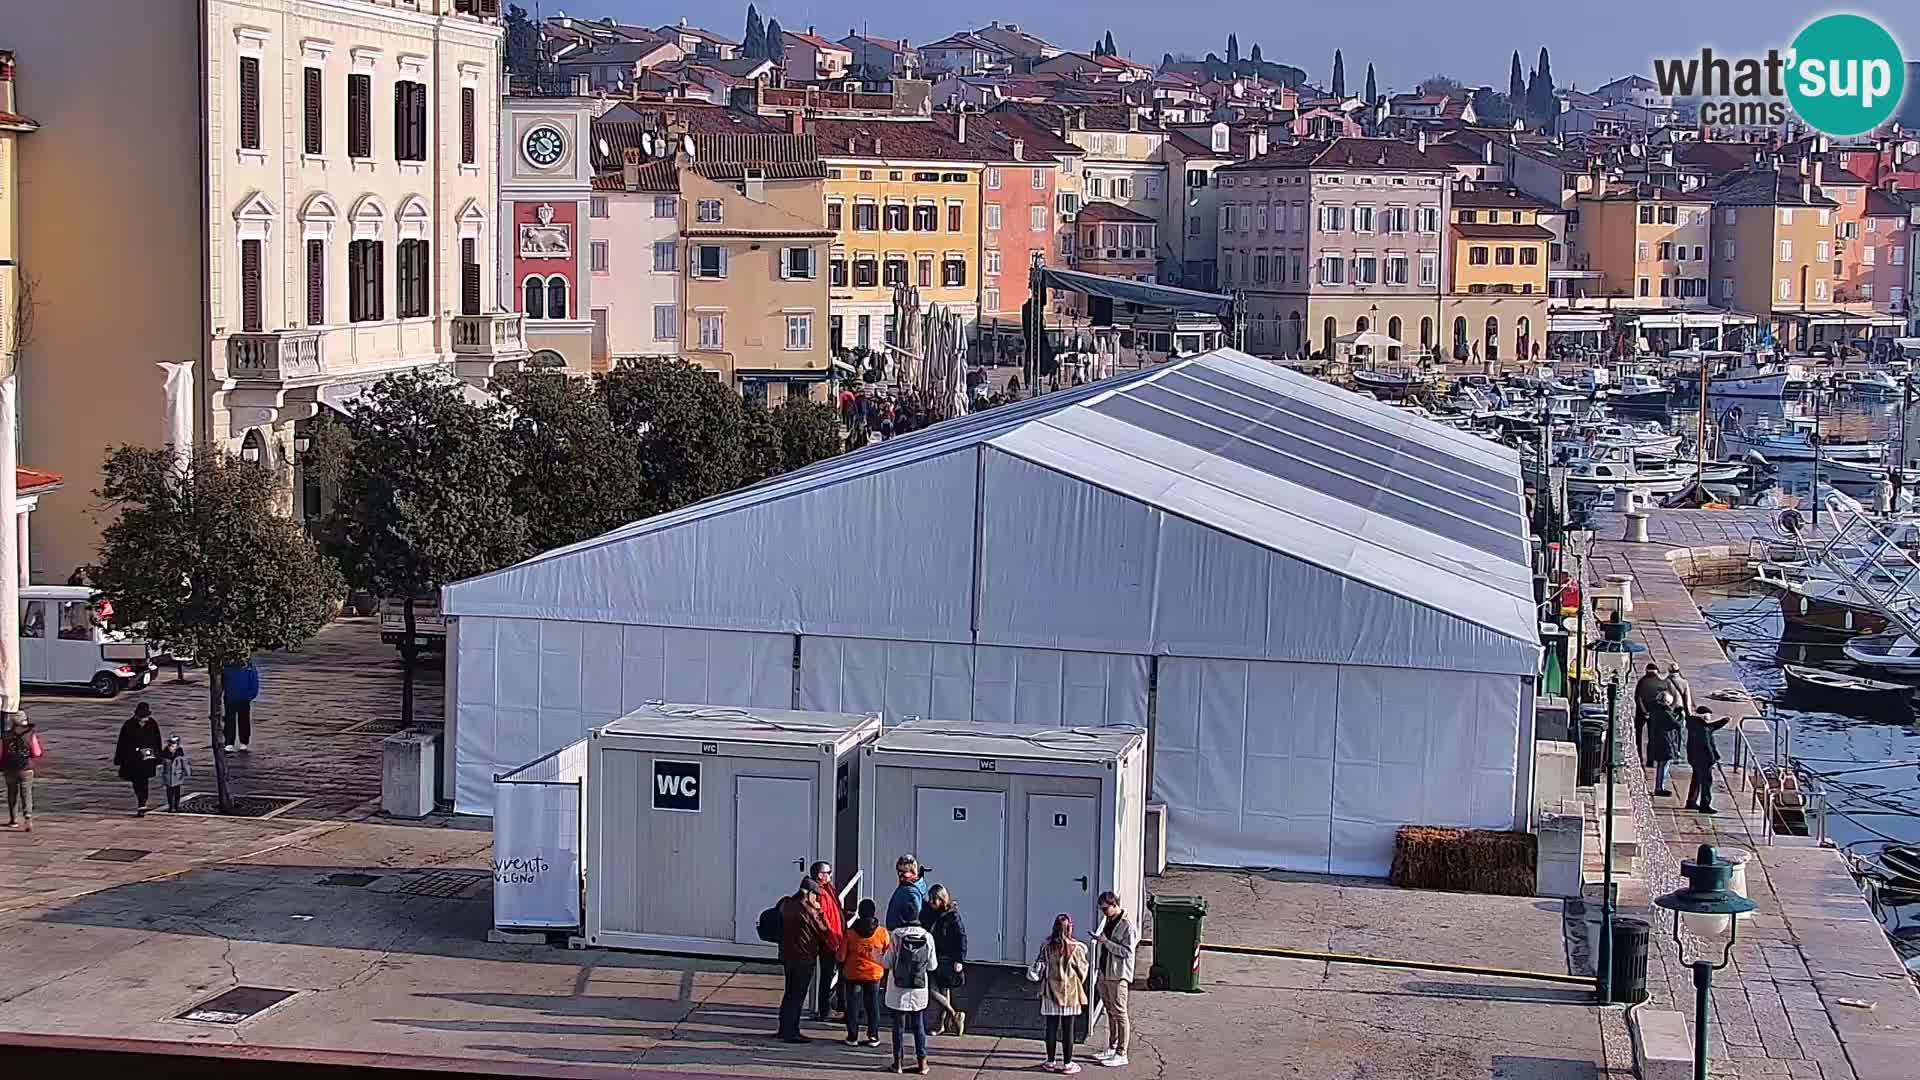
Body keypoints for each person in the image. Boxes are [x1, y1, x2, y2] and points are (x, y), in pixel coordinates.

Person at [1028, 913, 1091, 1073]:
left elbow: (1040, 966)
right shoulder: (1077, 948)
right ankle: (1068, 1064)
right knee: (1068, 1029)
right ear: (1069, 928)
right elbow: (1083, 971)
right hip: (1069, 994)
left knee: (1051, 1027)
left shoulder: (1046, 946)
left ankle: (1050, 1061)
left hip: (1050, 992)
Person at [880, 904, 936, 1074]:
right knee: (919, 1025)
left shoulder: (896, 935)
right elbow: (932, 966)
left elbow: (887, 963)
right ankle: (922, 1064)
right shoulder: (927, 936)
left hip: (898, 988)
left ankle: (897, 1064)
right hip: (918, 988)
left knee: (898, 1026)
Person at [775, 878, 829, 1043]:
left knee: (789, 993)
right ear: (809, 894)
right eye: (816, 896)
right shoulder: (808, 911)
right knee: (798, 995)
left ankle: (784, 1029)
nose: (817, 899)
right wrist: (819, 913)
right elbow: (823, 931)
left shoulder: (785, 904)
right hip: (804, 958)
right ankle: (792, 1032)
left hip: (787, 955)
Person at [1090, 891, 1137, 1068]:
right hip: (1105, 972)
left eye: (1105, 909)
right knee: (1109, 1010)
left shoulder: (1127, 926)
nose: (1103, 912)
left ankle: (1122, 1052)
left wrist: (1105, 942)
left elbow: (1126, 952)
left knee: (1120, 1012)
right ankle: (1112, 1046)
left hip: (1118, 975)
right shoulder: (1109, 921)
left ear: (1114, 904)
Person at [841, 897, 889, 1047]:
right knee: (873, 1005)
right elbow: (887, 953)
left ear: (859, 913)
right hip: (874, 974)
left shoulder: (850, 933)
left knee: (853, 1005)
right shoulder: (881, 932)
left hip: (853, 973)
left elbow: (841, 955)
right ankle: (873, 1036)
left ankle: (852, 1036)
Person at [922, 884, 968, 1036]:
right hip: (934, 956)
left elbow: (961, 938)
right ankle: (951, 1016)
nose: (931, 902)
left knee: (939, 990)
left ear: (942, 899)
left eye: (934, 899)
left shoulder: (952, 916)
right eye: (930, 899)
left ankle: (943, 1022)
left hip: (946, 958)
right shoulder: (930, 913)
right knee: (936, 990)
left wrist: (959, 960)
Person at [809, 861, 846, 1022]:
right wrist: (831, 939)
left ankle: (837, 1007)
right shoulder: (819, 893)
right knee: (827, 976)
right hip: (829, 941)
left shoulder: (828, 890)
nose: (830, 875)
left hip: (837, 938)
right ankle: (825, 1010)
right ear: (819, 875)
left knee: (836, 974)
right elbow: (823, 919)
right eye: (828, 872)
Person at [113, 702, 163, 816]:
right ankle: (141, 801)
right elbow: (122, 743)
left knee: (144, 781)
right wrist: (119, 758)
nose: (145, 720)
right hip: (133, 760)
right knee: (137, 781)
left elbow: (157, 741)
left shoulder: (152, 724)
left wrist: (158, 757)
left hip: (147, 759)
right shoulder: (128, 725)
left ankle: (142, 802)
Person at [1684, 705, 1730, 814]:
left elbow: (1711, 727)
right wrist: (1713, 758)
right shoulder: (1703, 729)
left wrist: (1723, 721)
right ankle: (1705, 805)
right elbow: (1707, 745)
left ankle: (1691, 801)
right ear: (1705, 716)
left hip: (1694, 758)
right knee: (1706, 782)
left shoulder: (1694, 724)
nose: (1710, 717)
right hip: (1704, 760)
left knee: (1696, 780)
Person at [2, 713, 42, 831]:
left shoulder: (6, 734)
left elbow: (2, 753)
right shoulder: (30, 734)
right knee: (26, 793)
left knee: (11, 793)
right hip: (26, 768)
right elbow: (36, 752)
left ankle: (13, 819)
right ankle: (28, 818)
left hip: (9, 767)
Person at [1645, 690, 1682, 797]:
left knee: (1662, 764)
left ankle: (1659, 786)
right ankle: (1659, 787)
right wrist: (1680, 716)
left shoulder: (1655, 710)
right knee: (1664, 764)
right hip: (1665, 741)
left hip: (1657, 739)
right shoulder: (1664, 712)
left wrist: (1674, 713)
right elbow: (1676, 724)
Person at [222, 658, 260, 752]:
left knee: (240, 720)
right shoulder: (228, 666)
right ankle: (232, 742)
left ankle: (240, 741)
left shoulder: (248, 667)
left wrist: (250, 695)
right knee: (232, 720)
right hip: (233, 696)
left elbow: (254, 682)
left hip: (239, 697)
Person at [886, 854, 931, 931]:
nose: (900, 875)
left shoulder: (910, 891)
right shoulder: (907, 887)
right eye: (899, 871)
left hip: (903, 934)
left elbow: (915, 917)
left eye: (903, 872)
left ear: (913, 872)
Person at [1632, 662, 1666, 759]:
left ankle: (1639, 756)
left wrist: (1644, 711)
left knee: (1637, 734)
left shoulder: (1642, 682)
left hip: (1641, 713)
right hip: (1654, 713)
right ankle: (1650, 759)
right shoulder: (1660, 682)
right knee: (1653, 737)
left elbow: (1637, 697)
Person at [160, 735, 193, 813]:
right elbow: (162, 765)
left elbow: (185, 764)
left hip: (177, 776)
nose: (171, 747)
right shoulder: (165, 754)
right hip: (168, 776)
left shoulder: (179, 754)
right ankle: (171, 806)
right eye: (170, 746)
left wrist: (187, 772)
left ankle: (176, 805)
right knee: (169, 792)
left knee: (177, 792)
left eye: (174, 745)